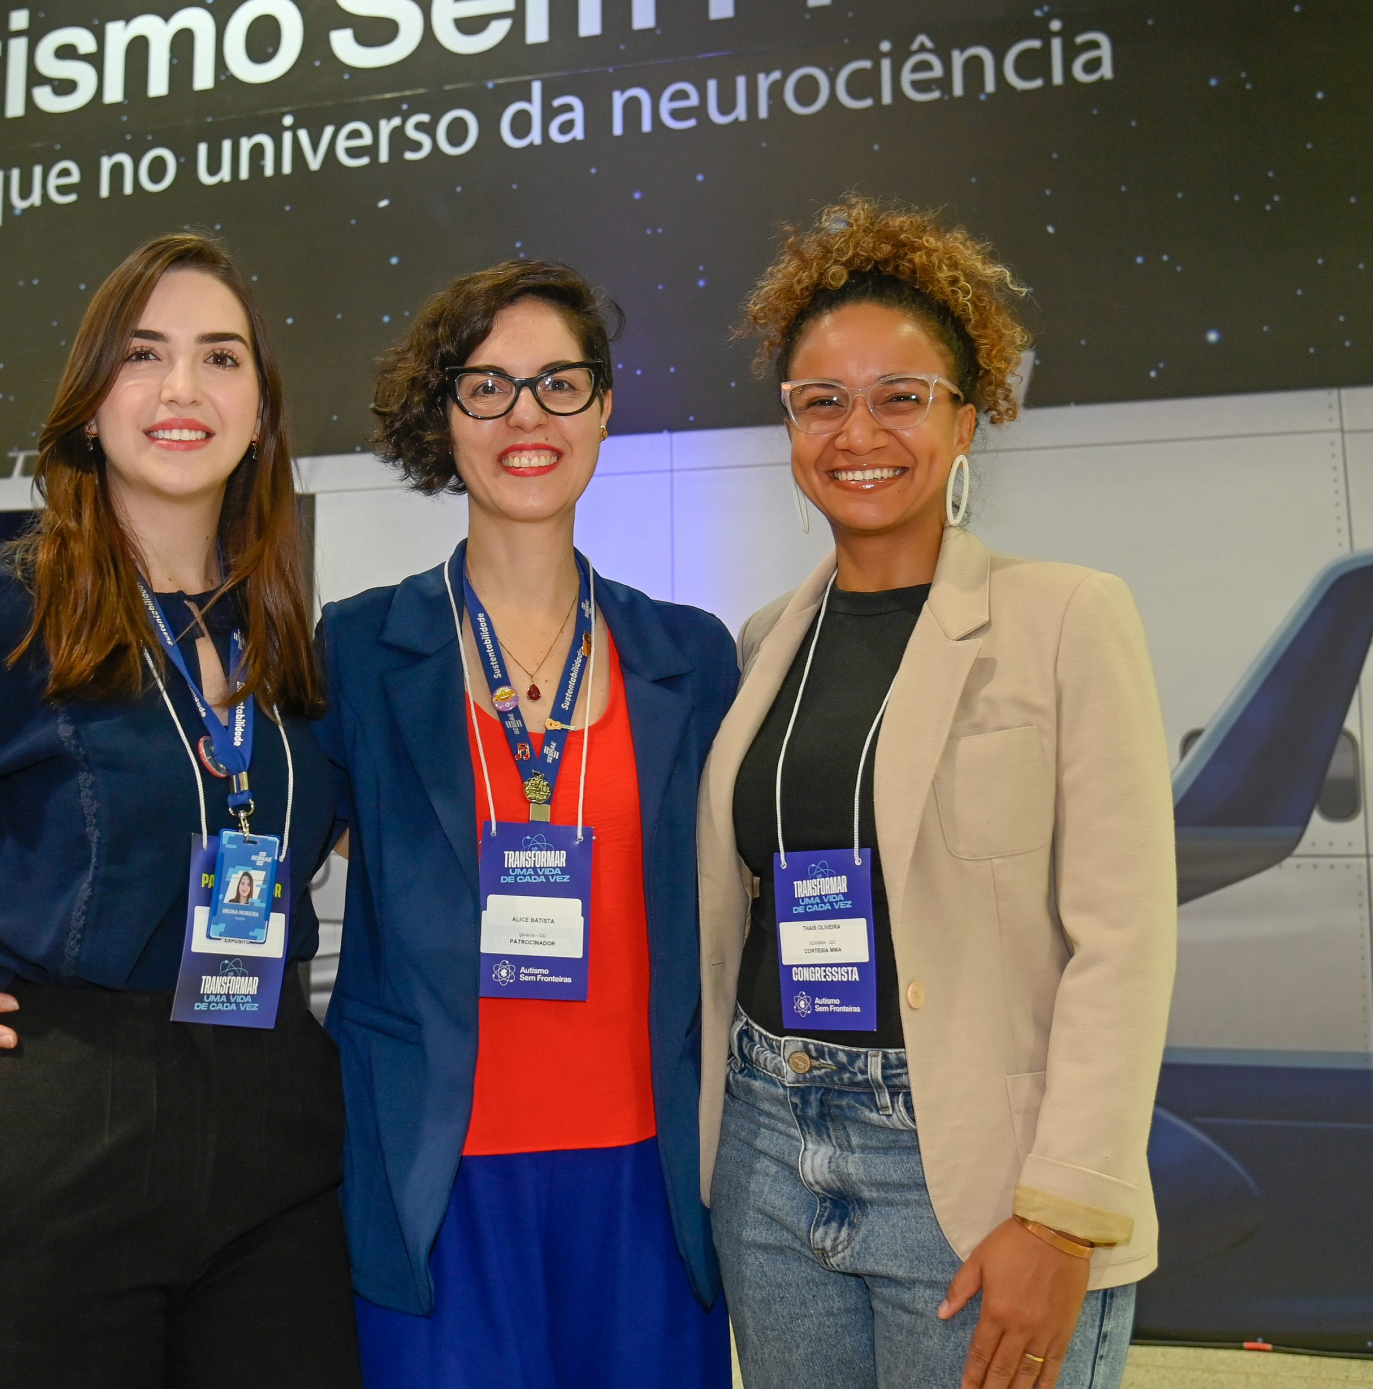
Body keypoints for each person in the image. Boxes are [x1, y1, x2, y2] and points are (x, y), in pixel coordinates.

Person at [0, 235, 359, 1389]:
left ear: (260, 412)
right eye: (144, 355)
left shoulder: (285, 634)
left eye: (220, 357)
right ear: (90, 404)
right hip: (62, 1141)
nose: (183, 388)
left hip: (275, 1147)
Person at [699, 199, 1177, 1389]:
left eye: (900, 396)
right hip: (770, 1147)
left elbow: (1124, 940)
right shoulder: (763, 641)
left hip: (974, 1177)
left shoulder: (1065, 617)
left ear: (967, 419)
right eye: (820, 400)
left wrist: (1062, 1215)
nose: (857, 431)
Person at [319, 261, 737, 1387]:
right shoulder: (358, 650)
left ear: (603, 407)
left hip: (649, 1183)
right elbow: (249, 837)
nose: (525, 417)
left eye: (559, 383)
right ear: (443, 413)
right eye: (487, 385)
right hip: (438, 1183)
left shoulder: (690, 656)